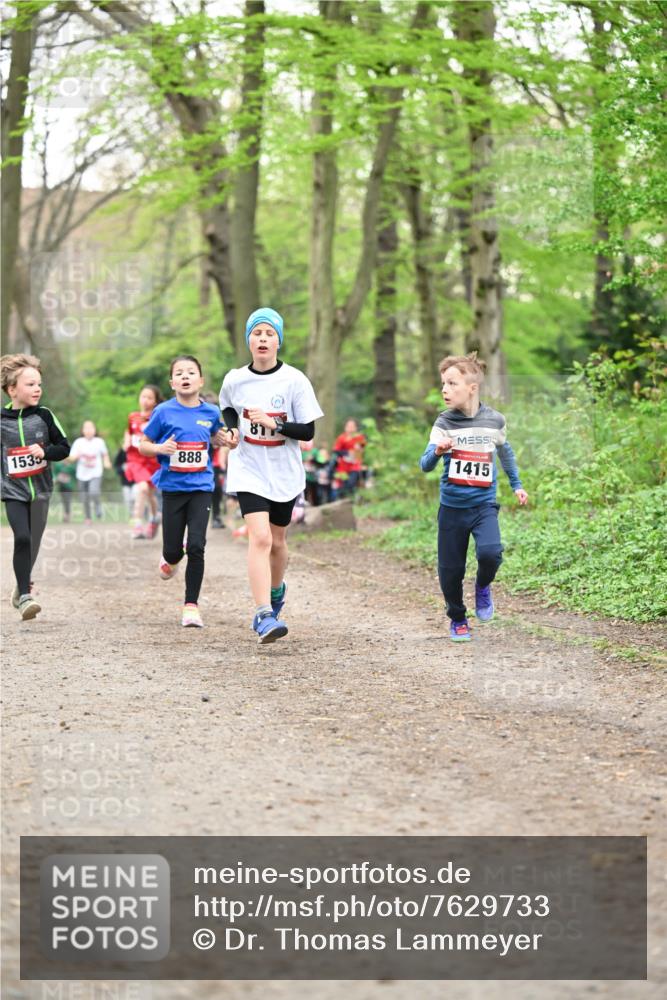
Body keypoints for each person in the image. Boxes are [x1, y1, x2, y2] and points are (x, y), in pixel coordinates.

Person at [219, 307, 323, 644]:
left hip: (284, 473)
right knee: (260, 538)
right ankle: (263, 613)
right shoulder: (235, 379)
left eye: (269, 334)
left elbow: (307, 431)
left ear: (278, 341)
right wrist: (231, 432)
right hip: (248, 469)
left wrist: (275, 424)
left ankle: (276, 592)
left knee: (277, 542)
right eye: (256, 333)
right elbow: (228, 410)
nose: (262, 339)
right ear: (249, 340)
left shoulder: (294, 380)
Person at [420, 352, 528, 642]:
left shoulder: (494, 420)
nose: (444, 389)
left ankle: (483, 586)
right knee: (450, 570)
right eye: (443, 383)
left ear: (472, 387)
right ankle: (457, 617)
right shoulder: (443, 422)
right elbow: (425, 464)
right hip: (452, 507)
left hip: (484, 505)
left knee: (491, 553)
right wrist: (438, 451)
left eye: (452, 383)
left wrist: (517, 484)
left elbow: (506, 452)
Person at [138, 356, 223, 628]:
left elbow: (219, 437)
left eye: (191, 372)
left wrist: (227, 439)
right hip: (173, 488)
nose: (185, 377)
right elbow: (143, 444)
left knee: (197, 546)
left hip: (201, 487)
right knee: (174, 550)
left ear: (201, 380)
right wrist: (160, 449)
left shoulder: (211, 412)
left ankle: (191, 606)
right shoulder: (163, 411)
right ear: (172, 382)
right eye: (179, 373)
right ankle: (171, 558)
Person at [1, 353, 70, 620]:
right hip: (12, 491)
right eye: (30, 384)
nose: (37, 389)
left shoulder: (44, 415)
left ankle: (20, 587)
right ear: (12, 389)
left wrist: (44, 452)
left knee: (34, 543)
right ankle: (26, 596)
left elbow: (64, 448)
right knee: (22, 538)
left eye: (39, 384)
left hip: (41, 491)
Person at [124, 384, 163, 539]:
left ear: (155, 401)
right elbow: (128, 431)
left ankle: (154, 519)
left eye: (149, 398)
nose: (145, 400)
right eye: (143, 396)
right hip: (136, 459)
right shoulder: (133, 416)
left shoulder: (157, 417)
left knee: (150, 493)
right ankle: (137, 524)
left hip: (152, 461)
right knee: (142, 489)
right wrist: (126, 442)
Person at [68, 420, 112, 523]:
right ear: (82, 430)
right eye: (86, 428)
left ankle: (98, 506)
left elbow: (105, 454)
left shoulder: (99, 442)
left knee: (94, 492)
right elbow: (72, 457)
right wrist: (71, 458)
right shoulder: (78, 442)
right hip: (81, 474)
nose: (88, 430)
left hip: (95, 473)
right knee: (84, 497)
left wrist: (107, 462)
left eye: (91, 428)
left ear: (94, 430)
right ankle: (88, 517)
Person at [333, 418, 366, 498]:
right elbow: (336, 450)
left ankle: (351, 499)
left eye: (352, 427)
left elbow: (363, 449)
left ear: (356, 428)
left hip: (355, 465)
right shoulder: (342, 438)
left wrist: (359, 450)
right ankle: (342, 499)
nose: (350, 429)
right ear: (345, 427)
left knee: (352, 482)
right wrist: (347, 453)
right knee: (343, 485)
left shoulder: (360, 437)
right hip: (343, 466)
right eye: (348, 426)